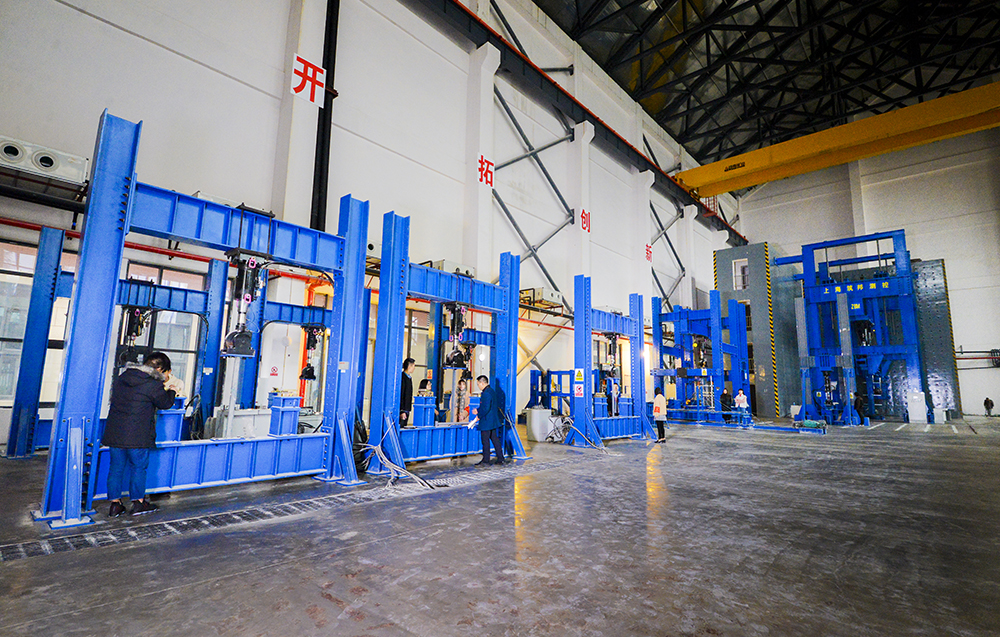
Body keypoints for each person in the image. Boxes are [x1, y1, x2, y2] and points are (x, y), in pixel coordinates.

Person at [103, 351, 177, 517]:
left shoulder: (123, 378)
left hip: (115, 432)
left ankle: (115, 505)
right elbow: (165, 403)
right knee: (138, 468)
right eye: (167, 372)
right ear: (159, 369)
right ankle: (138, 503)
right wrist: (172, 390)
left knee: (116, 468)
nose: (167, 376)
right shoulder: (152, 384)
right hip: (137, 435)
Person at [468, 375, 504, 465]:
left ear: (482, 383)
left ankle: (486, 460)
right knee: (494, 439)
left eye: (478, 384)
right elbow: (487, 406)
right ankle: (500, 458)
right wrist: (478, 410)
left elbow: (486, 408)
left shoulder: (486, 393)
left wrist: (478, 416)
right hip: (492, 421)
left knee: (485, 440)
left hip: (487, 421)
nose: (478, 386)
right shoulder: (491, 391)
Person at [399, 358, 415, 427]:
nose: (414, 368)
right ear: (409, 366)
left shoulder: (409, 378)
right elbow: (401, 394)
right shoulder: (402, 378)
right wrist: (402, 411)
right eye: (413, 366)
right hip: (403, 410)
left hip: (407, 409)